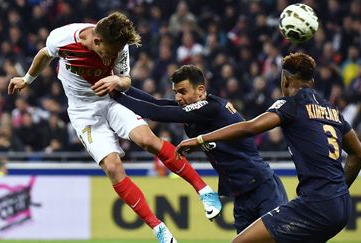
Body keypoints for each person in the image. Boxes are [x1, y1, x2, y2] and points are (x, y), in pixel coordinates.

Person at [7, 12, 221, 243]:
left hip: (112, 100)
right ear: (97, 41)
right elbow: (44, 54)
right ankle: (158, 228)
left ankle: (204, 190)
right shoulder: (62, 38)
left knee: (147, 140)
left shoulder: (119, 47)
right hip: (83, 113)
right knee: (112, 166)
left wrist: (117, 81)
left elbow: (125, 79)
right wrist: (27, 80)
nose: (110, 56)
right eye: (108, 51)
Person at [176, 53, 361, 243]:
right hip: (341, 205)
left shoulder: (291, 105)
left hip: (316, 203)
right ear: (312, 81)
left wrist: (199, 140)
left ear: (285, 80)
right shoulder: (332, 111)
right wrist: (339, 189)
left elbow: (250, 127)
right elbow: (359, 154)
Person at [112, 64, 288, 233]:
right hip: (242, 194)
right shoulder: (197, 108)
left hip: (262, 188)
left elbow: (156, 113)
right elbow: (155, 102)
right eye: (175, 92)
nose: (178, 98)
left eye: (182, 92)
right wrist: (119, 84)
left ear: (201, 90)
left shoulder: (210, 108)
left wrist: (114, 94)